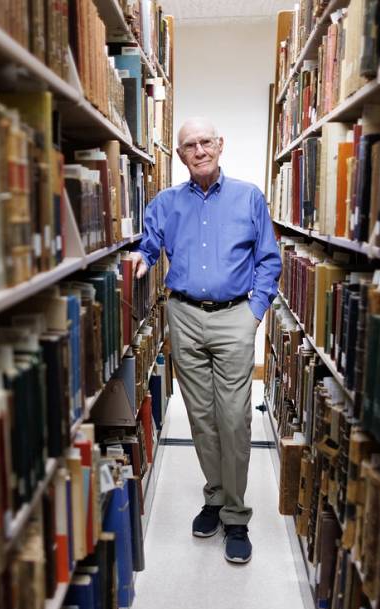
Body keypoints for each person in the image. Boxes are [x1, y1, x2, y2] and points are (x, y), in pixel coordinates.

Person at [130, 117, 281, 564]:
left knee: (234, 418)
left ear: (221, 144)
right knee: (201, 417)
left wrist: (254, 314)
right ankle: (215, 498)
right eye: (189, 145)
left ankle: (237, 515)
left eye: (206, 142)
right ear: (179, 155)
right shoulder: (165, 202)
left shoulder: (248, 197)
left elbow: (268, 260)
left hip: (235, 315)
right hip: (184, 315)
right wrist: (140, 258)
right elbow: (149, 243)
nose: (199, 150)